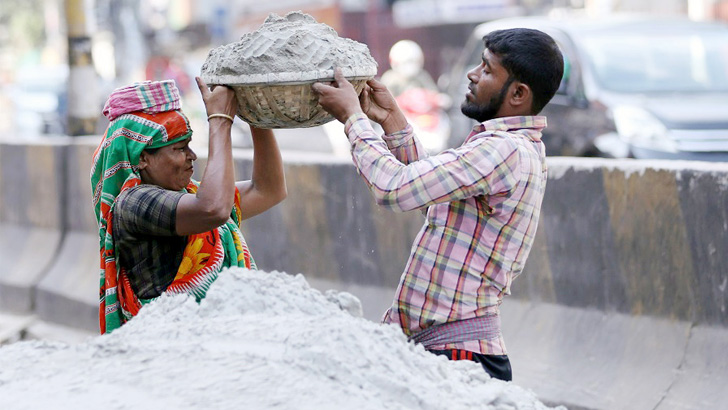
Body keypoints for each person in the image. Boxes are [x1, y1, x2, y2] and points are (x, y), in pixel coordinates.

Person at [311, 28, 564, 381]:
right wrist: (390, 120)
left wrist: (354, 120)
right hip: (448, 351)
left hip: (458, 357)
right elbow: (432, 197)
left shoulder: (502, 150)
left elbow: (394, 189)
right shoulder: (511, 146)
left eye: (488, 70)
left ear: (519, 94)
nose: (473, 75)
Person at [91, 78, 286, 334]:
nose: (192, 156)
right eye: (180, 148)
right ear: (142, 158)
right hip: (170, 356)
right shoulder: (131, 205)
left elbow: (269, 189)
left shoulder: (190, 195)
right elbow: (213, 209)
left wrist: (255, 116)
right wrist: (219, 120)